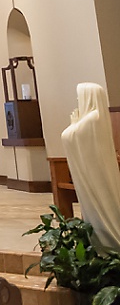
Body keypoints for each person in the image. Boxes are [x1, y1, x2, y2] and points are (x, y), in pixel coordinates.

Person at [63, 83, 120, 250]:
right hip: (92, 173)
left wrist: (73, 125)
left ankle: (108, 247)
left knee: (102, 211)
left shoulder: (93, 117)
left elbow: (67, 136)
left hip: (97, 176)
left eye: (80, 96)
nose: (78, 100)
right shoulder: (92, 117)